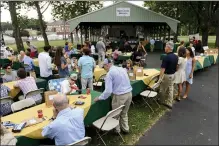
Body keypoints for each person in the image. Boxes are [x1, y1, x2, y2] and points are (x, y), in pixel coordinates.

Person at [94, 58, 132, 134]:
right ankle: (125, 129)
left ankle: (117, 130)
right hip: (129, 93)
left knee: (116, 114)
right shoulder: (121, 69)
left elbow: (108, 91)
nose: (104, 68)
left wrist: (100, 97)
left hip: (119, 96)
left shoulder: (109, 74)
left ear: (107, 65)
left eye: (104, 66)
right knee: (124, 113)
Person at [159, 41, 178, 109]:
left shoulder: (166, 57)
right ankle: (169, 102)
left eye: (165, 46)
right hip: (173, 74)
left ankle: (162, 100)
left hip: (167, 75)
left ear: (168, 47)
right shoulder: (176, 56)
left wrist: (160, 78)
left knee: (162, 89)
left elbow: (162, 69)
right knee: (170, 88)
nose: (164, 48)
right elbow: (177, 67)